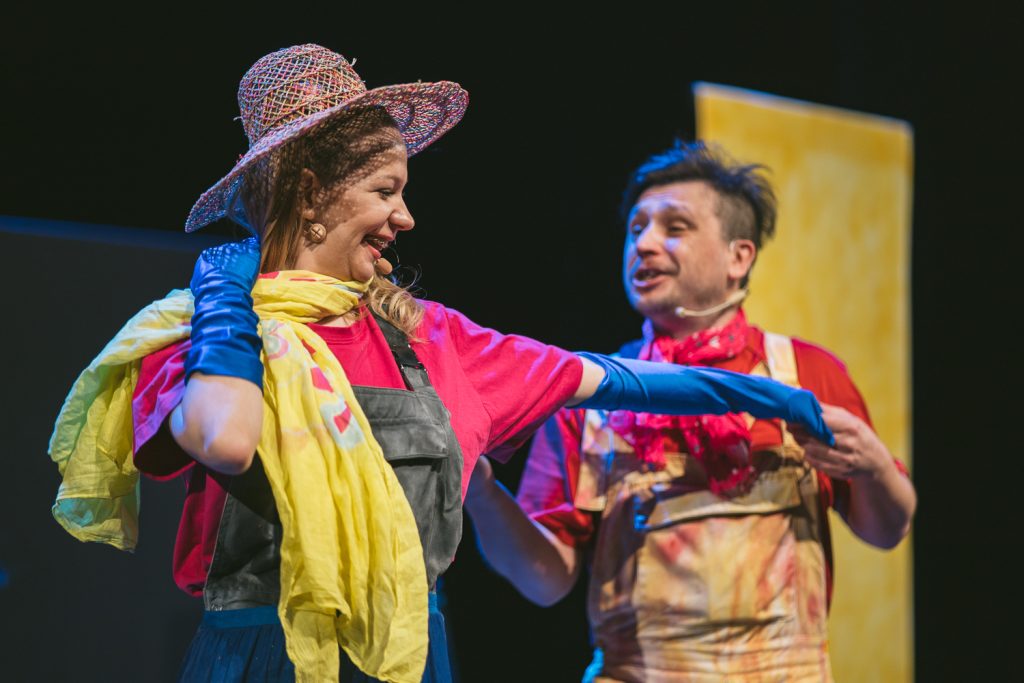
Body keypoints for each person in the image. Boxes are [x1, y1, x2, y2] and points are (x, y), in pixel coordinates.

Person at [48, 47, 834, 683]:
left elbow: (621, 378)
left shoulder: (435, 340)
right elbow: (225, 436)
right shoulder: (195, 333)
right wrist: (226, 300)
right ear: (313, 192)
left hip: (406, 659)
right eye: (387, 190)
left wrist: (780, 398)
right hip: (258, 660)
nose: (406, 216)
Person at [466, 141, 917, 682]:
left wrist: (873, 466)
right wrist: (482, 491)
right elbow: (545, 581)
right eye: (636, 229)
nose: (644, 244)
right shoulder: (592, 394)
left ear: (738, 257)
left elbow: (888, 529)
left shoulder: (805, 374)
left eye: (674, 227)